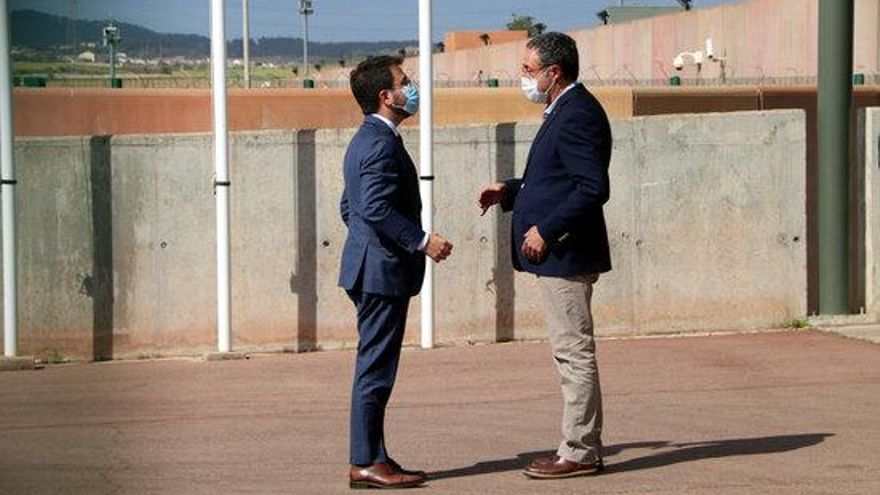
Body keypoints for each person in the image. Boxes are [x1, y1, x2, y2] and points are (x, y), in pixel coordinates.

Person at [477, 32, 613, 479]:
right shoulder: (564, 110)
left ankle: (579, 450)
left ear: (555, 73)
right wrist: (511, 191)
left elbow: (592, 188)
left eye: (529, 70)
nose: (524, 78)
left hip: (566, 255)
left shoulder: (577, 114)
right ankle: (578, 445)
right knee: (568, 350)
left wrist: (548, 231)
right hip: (559, 254)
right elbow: (557, 179)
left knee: (573, 351)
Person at [339, 55, 453, 489]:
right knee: (375, 370)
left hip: (371, 267)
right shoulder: (381, 143)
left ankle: (374, 456)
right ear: (386, 96)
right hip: (379, 274)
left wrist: (369, 240)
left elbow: (350, 207)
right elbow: (372, 207)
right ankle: (366, 460)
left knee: (376, 367)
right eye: (405, 82)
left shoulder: (367, 140)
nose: (413, 87)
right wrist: (422, 241)